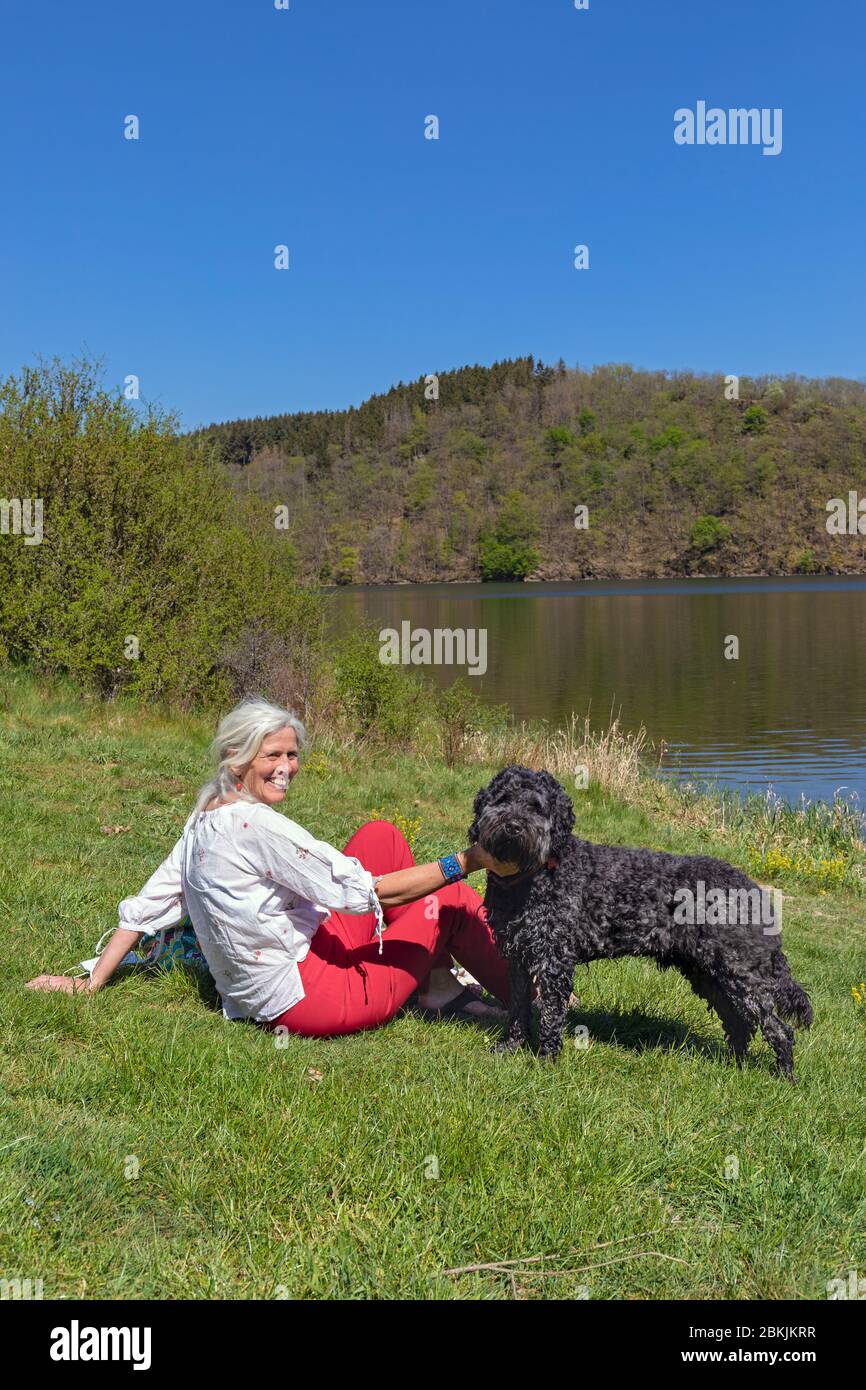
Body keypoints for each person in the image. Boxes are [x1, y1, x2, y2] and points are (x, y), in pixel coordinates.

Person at [27, 697, 518, 1036]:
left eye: (292, 754)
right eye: (272, 755)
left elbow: (151, 901)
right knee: (448, 899)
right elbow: (364, 892)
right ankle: (539, 1004)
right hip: (312, 997)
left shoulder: (205, 818)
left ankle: (433, 985)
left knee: (381, 836)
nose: (286, 766)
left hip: (271, 981)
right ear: (235, 758)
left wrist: (92, 981)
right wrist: (468, 861)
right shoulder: (255, 826)